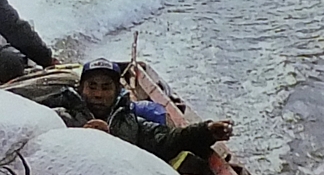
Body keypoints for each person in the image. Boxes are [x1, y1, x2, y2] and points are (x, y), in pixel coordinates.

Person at [62, 58, 233, 164]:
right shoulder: (63, 120)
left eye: (106, 88)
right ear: (81, 89)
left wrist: (206, 131)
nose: (98, 95)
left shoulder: (132, 124)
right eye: (92, 87)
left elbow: (169, 139)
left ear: (116, 92)